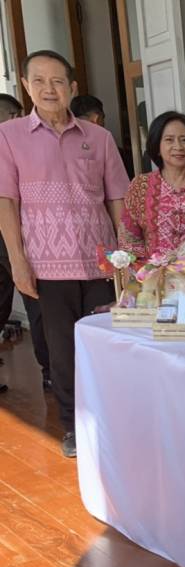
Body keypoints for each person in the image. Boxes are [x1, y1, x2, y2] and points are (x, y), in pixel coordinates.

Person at [0, 50, 130, 458]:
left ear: (72, 87)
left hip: (100, 263)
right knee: (62, 352)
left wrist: (126, 259)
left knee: (107, 344)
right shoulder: (8, 136)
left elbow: (118, 199)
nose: (48, 89)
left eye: (57, 81)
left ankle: (115, 421)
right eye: (38, 81)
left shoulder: (99, 138)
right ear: (26, 86)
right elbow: (6, 202)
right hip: (46, 267)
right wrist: (18, 262)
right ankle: (75, 425)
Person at [119, 111, 185, 267]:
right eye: (169, 140)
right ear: (157, 146)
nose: (178, 146)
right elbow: (129, 240)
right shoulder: (141, 186)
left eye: (184, 140)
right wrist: (145, 272)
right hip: (155, 278)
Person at [0, 94, 51, 394]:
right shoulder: (11, 146)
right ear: (13, 115)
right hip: (13, 240)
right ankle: (49, 371)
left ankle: (50, 370)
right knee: (35, 300)